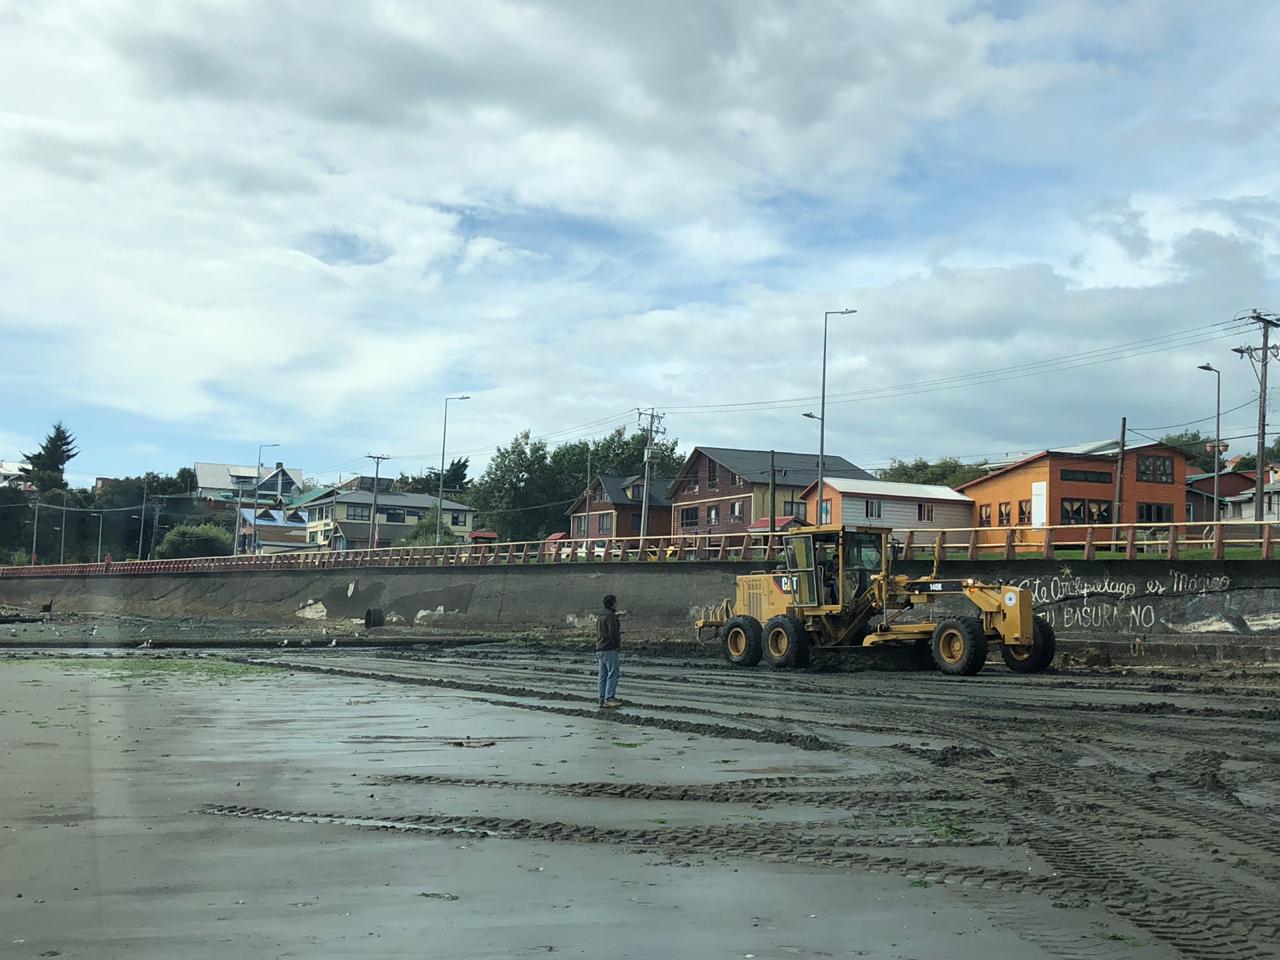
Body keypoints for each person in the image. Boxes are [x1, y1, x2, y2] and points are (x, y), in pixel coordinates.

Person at [595, 593, 622, 708]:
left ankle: (602, 698)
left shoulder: (600, 616)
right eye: (616, 602)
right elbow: (613, 633)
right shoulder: (611, 616)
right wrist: (617, 645)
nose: (617, 604)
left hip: (599, 648)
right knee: (613, 673)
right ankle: (609, 698)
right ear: (612, 604)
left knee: (603, 675)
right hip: (609, 648)